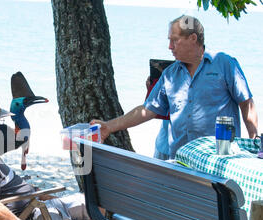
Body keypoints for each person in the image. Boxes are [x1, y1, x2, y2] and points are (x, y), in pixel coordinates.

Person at [92, 15, 259, 159]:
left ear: (193, 38)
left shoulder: (224, 63)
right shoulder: (170, 74)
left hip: (218, 160)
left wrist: (253, 141)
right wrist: (109, 126)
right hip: (181, 160)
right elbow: (148, 110)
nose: (170, 47)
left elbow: (246, 103)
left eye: (174, 40)